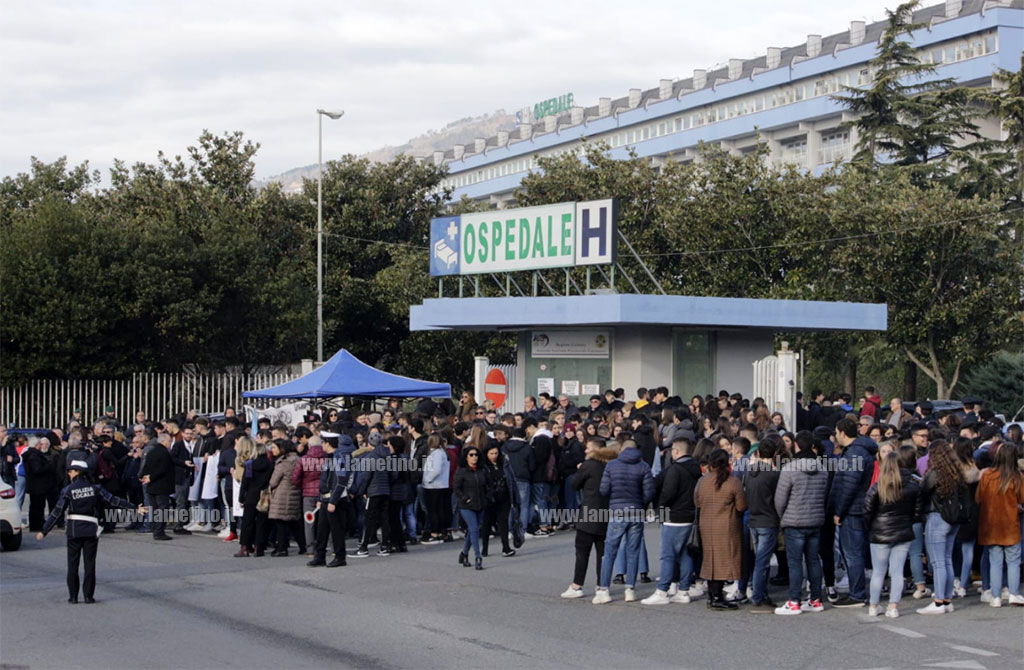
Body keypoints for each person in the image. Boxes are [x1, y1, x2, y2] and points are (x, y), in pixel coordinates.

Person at [35, 460, 146, 603]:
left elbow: (57, 512)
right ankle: (88, 596)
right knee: (89, 564)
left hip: (74, 530)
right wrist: (135, 508)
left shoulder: (68, 490)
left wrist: (44, 531)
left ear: (77, 472)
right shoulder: (96, 488)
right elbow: (114, 500)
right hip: (91, 529)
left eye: (71, 470)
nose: (68, 473)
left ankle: (73, 597)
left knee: (72, 565)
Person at [642, 435, 702, 606]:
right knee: (685, 554)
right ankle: (683, 590)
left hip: (674, 516)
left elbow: (667, 494)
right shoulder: (696, 468)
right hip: (690, 516)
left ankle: (662, 590)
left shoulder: (675, 470)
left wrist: (660, 508)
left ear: (676, 451)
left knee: (668, 555)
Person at [593, 440, 654, 604]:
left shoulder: (612, 465)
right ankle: (630, 589)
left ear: (621, 449)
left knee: (610, 551)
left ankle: (604, 590)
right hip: (636, 511)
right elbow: (649, 492)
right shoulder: (644, 466)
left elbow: (604, 489)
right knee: (633, 551)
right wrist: (639, 503)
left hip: (617, 511)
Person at [773, 435, 829, 615]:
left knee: (795, 563)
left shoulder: (789, 469)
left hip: (794, 520)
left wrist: (783, 517)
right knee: (813, 560)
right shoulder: (822, 469)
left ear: (796, 446)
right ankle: (815, 599)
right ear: (812, 446)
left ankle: (794, 601)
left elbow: (780, 499)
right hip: (815, 520)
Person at [863, 451, 923, 618]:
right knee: (897, 572)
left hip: (879, 532)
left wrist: (871, 527)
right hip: (903, 531)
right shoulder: (912, 487)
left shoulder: (877, 486)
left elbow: (867, 510)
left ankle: (873, 606)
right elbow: (918, 513)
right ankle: (893, 606)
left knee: (878, 571)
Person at [827, 418, 878, 607]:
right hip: (856, 508)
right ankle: (857, 591)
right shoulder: (859, 451)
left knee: (852, 553)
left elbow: (849, 485)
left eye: (836, 432)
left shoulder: (854, 454)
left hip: (852, 510)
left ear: (842, 432)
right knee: (853, 552)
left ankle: (857, 594)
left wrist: (839, 511)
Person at [562, 438, 617, 599]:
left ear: (595, 450)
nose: (585, 451)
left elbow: (575, 484)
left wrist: (579, 470)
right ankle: (602, 585)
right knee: (602, 553)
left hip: (588, 513)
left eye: (588, 448)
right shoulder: (610, 465)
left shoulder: (589, 465)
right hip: (605, 513)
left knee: (582, 552)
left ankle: (577, 585)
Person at [694, 448, 748, 610]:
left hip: (706, 523)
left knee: (710, 559)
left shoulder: (702, 481)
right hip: (727, 525)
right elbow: (741, 506)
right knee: (724, 560)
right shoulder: (732, 482)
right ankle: (717, 596)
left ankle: (713, 595)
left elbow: (697, 502)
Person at [918, 440, 967, 614]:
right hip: (953, 519)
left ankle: (939, 601)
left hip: (937, 517)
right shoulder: (957, 473)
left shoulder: (935, 473)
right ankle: (947, 599)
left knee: (937, 562)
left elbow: (923, 490)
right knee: (946, 559)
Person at [975, 442, 1024, 607]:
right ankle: (1013, 593)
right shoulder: (1017, 476)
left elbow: (978, 498)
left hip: (990, 525)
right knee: (1013, 561)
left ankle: (995, 596)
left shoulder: (988, 475)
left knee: (995, 561)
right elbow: (1022, 499)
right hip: (1010, 524)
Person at [742, 436, 781, 612]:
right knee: (762, 562)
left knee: (760, 559)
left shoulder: (748, 473)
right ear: (774, 454)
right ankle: (758, 597)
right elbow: (779, 499)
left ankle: (761, 594)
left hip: (753, 519)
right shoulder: (774, 475)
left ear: (757, 453)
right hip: (768, 520)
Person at [308, 433, 351, 568]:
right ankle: (319, 556)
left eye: (323, 442)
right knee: (322, 530)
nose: (322, 445)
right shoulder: (329, 458)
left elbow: (340, 481)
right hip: (326, 499)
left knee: (336, 530)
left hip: (335, 500)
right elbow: (325, 481)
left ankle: (340, 557)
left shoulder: (338, 458)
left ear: (328, 443)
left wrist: (333, 501)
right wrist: (321, 498)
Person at [454, 446, 490, 570]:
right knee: (474, 528)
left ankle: (464, 553)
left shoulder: (482, 470)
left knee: (472, 530)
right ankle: (478, 556)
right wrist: (465, 498)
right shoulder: (462, 471)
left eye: (476, 455)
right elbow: (456, 488)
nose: (474, 457)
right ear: (466, 457)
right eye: (471, 455)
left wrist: (487, 497)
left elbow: (488, 485)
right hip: (466, 505)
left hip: (480, 504)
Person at [268, 439, 303, 556]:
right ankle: (304, 545)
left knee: (281, 522)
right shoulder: (298, 460)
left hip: (282, 494)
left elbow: (273, 482)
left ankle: (282, 548)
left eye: (274, 447)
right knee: (294, 521)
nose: (272, 450)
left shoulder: (283, 463)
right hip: (295, 492)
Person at [236, 440, 272, 557]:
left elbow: (245, 483)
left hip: (251, 495)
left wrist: (241, 497)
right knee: (262, 522)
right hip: (264, 496)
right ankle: (259, 547)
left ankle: (245, 547)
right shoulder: (270, 465)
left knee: (247, 522)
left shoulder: (250, 465)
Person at [481, 444, 517, 558]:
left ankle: (506, 547)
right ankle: (485, 547)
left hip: (504, 497)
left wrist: (515, 497)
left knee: (503, 522)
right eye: (491, 454)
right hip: (489, 499)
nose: (494, 456)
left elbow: (512, 479)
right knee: (487, 523)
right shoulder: (484, 466)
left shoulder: (504, 463)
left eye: (496, 453)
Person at [139, 432, 175, 541]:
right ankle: (159, 531)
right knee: (163, 508)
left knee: (154, 509)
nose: (170, 443)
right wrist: (151, 477)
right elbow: (162, 469)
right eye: (169, 441)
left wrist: (144, 476)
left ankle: (156, 530)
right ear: (164, 441)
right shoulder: (164, 453)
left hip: (151, 486)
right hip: (161, 485)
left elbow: (145, 466)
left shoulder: (151, 451)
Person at [293, 435, 325, 554]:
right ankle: (330, 546)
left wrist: (301, 486)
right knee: (326, 521)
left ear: (309, 445)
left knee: (309, 521)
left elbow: (295, 478)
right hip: (323, 493)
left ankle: (310, 548)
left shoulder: (303, 459)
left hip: (308, 493)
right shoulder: (327, 458)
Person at [23, 437, 61, 532]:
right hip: (37, 486)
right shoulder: (33, 456)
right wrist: (48, 466)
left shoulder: (32, 455)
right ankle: (36, 525)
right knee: (37, 507)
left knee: (36, 506)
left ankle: (36, 524)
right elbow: (37, 469)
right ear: (36, 445)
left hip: (36, 485)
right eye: (40, 444)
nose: (41, 446)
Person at [422, 434, 450, 545]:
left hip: (434, 485)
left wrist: (428, 479)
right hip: (440, 485)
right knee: (438, 509)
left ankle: (435, 532)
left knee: (433, 510)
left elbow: (436, 469)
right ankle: (440, 531)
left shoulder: (437, 453)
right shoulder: (440, 452)